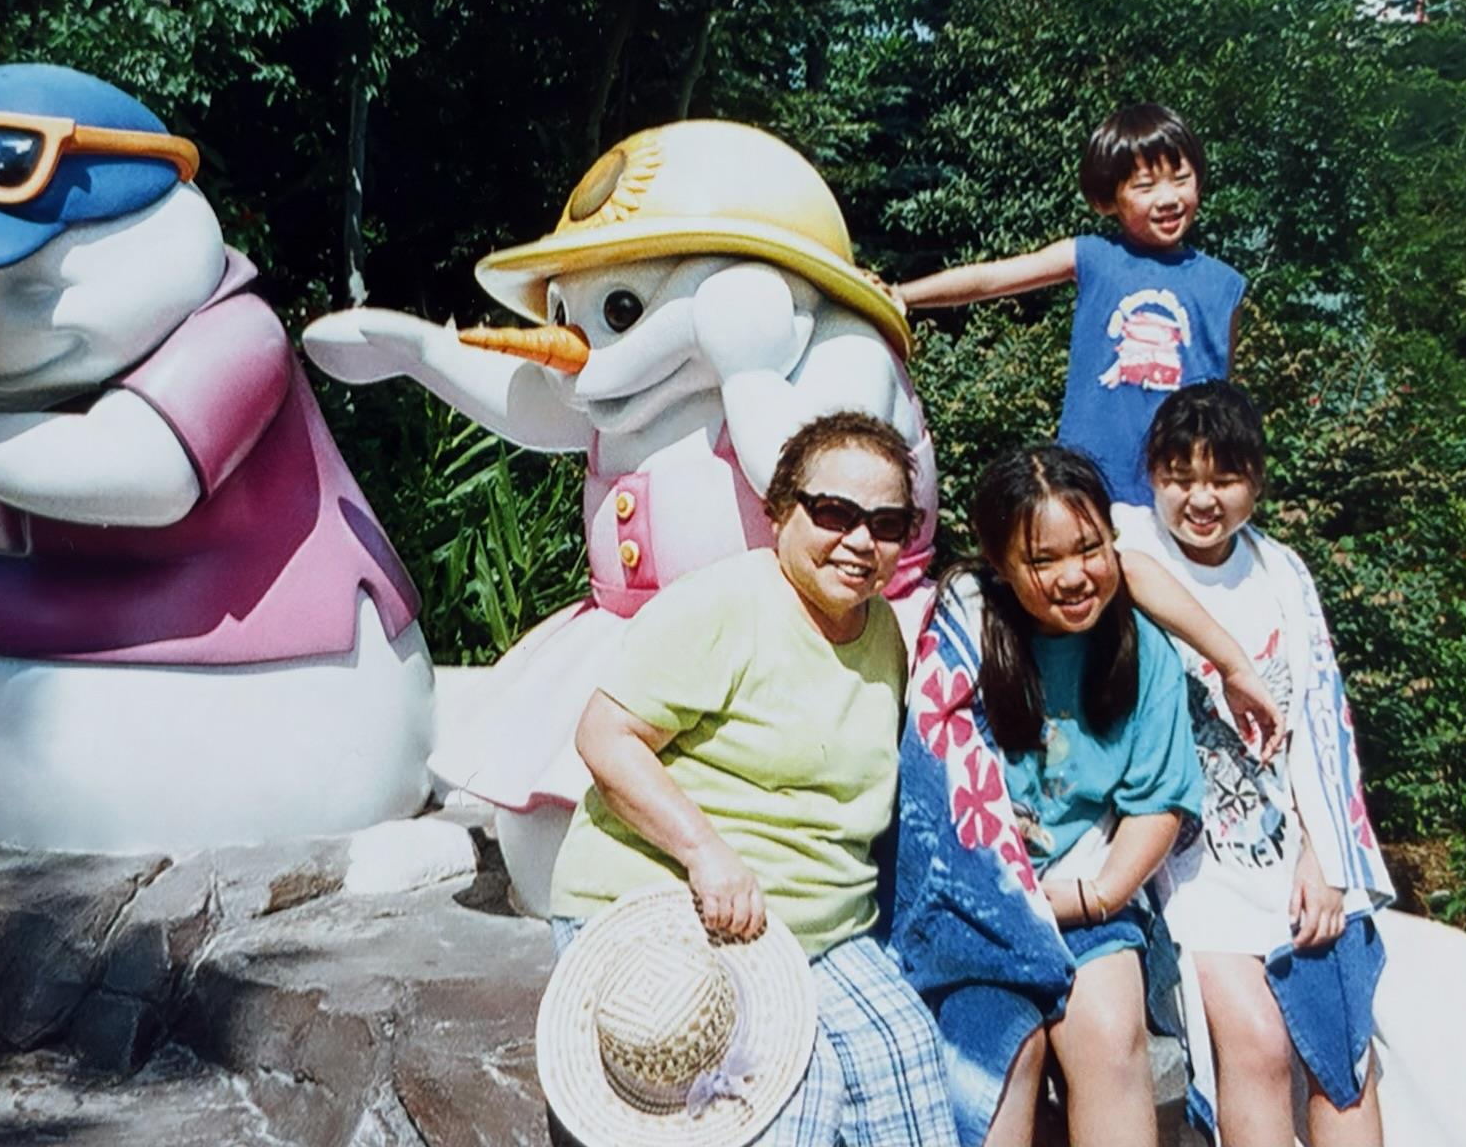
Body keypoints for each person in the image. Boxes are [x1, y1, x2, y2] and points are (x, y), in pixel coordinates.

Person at [543, 410, 957, 1145]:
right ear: (779, 511)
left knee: (908, 1060)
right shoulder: (726, 604)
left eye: (888, 523)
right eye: (834, 513)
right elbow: (606, 738)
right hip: (676, 904)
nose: (860, 541)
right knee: (793, 1093)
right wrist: (705, 852)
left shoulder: (884, 630)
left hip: (821, 926)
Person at [891, 443, 1204, 1147]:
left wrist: (1095, 897)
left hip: (1088, 892)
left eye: (1089, 549)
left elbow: (1160, 798)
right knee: (1000, 1055)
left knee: (1109, 1034)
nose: (1075, 577)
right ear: (1000, 565)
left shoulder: (1142, 646)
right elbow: (934, 794)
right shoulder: (964, 638)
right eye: (1043, 560)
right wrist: (1015, 901)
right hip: (978, 904)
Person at [1121, 382, 1394, 1147]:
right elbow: (1124, 571)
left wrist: (1326, 855)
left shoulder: (1282, 571)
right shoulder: (1127, 537)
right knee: (1257, 1042)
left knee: (1343, 1050)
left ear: (1257, 482)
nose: (1199, 498)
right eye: (1179, 474)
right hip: (1190, 864)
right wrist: (1230, 660)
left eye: (1224, 477)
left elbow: (1318, 721)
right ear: (1151, 475)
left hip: (1291, 847)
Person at [892, 105, 1245, 507]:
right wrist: (904, 294)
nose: (1168, 198)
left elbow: (1224, 402)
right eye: (1145, 187)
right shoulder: (1093, 256)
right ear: (1108, 199)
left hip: (1185, 493)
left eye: (1181, 179)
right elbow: (992, 278)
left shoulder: (1225, 285)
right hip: (1089, 485)